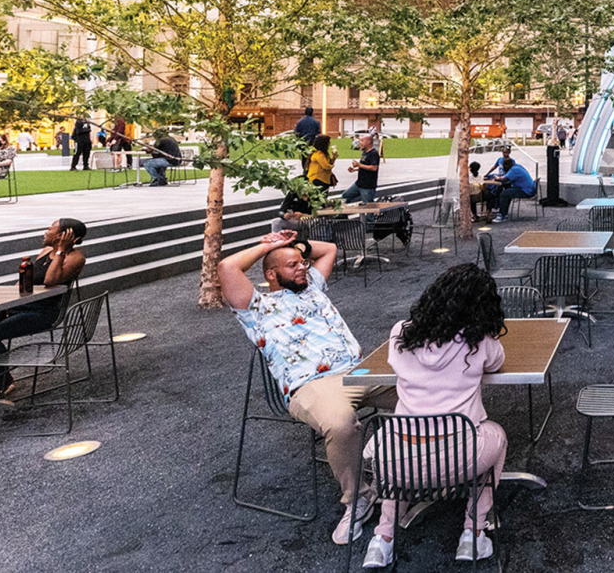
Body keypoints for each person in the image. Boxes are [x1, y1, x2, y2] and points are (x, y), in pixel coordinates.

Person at [220, 230, 396, 546]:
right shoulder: (255, 306)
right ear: (271, 274)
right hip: (313, 385)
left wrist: (295, 246)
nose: (302, 267)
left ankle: (426, 470)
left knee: (427, 387)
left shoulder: (311, 286)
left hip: (360, 371)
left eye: (302, 263)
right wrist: (267, 246)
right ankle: (359, 497)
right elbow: (227, 268)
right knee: (341, 424)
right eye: (292, 265)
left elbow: (328, 249)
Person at [361, 263, 508, 567]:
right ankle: (473, 532)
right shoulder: (478, 342)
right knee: (497, 436)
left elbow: (395, 361)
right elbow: (497, 362)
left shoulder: (400, 332)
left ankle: (382, 540)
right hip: (458, 458)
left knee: (399, 453)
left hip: (397, 462)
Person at [0, 219, 88, 402]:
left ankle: (3, 381)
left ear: (62, 236)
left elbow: (50, 280)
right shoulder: (46, 251)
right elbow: (28, 281)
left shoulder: (75, 258)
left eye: (50, 228)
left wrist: (61, 250)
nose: (45, 231)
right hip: (16, 307)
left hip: (43, 312)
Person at [485, 157, 535, 223]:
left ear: (506, 166)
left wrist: (497, 178)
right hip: (528, 188)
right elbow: (507, 177)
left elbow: (504, 179)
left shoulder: (514, 170)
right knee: (507, 192)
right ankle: (503, 211)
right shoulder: (517, 166)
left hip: (525, 191)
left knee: (504, 194)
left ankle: (503, 215)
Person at [343, 134, 381, 205]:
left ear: (369, 142)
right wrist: (355, 169)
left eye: (362, 140)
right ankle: (342, 215)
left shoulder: (373, 153)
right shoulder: (364, 152)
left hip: (367, 186)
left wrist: (359, 164)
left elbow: (374, 168)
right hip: (359, 183)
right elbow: (366, 166)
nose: (360, 142)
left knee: (368, 208)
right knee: (344, 197)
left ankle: (369, 216)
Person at [295, 106, 321, 173]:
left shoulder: (300, 122)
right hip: (312, 141)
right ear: (312, 112)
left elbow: (296, 132)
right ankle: (311, 170)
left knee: (304, 157)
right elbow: (318, 132)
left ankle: (305, 170)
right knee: (312, 156)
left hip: (303, 142)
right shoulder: (316, 122)